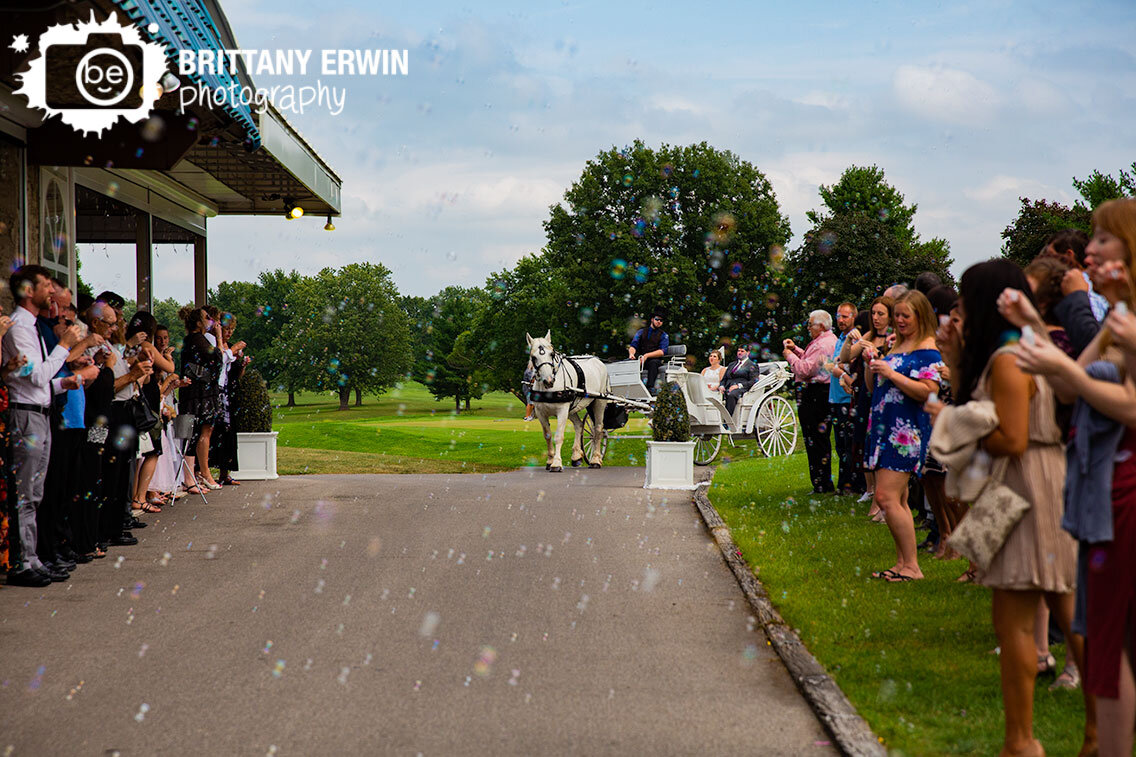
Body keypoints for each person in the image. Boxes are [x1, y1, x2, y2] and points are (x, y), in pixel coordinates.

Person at [941, 259, 1083, 757]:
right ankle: (1095, 732)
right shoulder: (1025, 346)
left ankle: (1021, 742)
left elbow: (1013, 437)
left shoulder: (1006, 359)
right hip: (1039, 480)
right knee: (1064, 605)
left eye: (963, 298)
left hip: (1025, 485)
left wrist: (957, 426)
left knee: (1019, 620)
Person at [1009, 198, 1136, 757]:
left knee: (1115, 643)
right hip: (1099, 486)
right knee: (1109, 644)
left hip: (1126, 488)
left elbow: (1130, 405)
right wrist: (1033, 325)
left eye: (1104, 239)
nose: (1091, 249)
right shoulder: (1115, 319)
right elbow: (1068, 384)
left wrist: (1067, 373)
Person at [2, 265, 84, 586]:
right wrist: (65, 344)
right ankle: (22, 563)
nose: (52, 292)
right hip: (25, 415)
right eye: (46, 286)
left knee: (35, 492)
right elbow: (35, 375)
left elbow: (42, 381)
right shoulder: (19, 327)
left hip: (40, 412)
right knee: (25, 491)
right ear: (27, 291)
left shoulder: (33, 326)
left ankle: (32, 558)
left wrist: (65, 385)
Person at [865, 290, 940, 582]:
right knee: (899, 499)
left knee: (885, 496)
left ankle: (912, 567)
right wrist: (875, 365)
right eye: (897, 315)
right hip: (886, 427)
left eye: (905, 316)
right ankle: (901, 563)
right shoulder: (900, 345)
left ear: (920, 316)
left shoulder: (927, 350)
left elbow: (928, 390)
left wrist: (892, 373)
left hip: (905, 432)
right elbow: (876, 388)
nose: (899, 321)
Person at [842, 295, 895, 511]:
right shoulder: (869, 336)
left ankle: (883, 497)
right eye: (873, 313)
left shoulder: (894, 339)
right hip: (869, 392)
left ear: (890, 315)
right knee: (867, 440)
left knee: (885, 445)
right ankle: (872, 492)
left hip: (889, 394)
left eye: (880, 313)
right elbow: (845, 358)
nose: (875, 317)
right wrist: (849, 341)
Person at [784, 310, 838, 493]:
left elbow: (805, 370)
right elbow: (812, 361)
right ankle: (822, 481)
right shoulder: (828, 340)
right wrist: (797, 349)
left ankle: (821, 483)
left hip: (815, 394)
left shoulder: (822, 345)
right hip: (822, 392)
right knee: (819, 439)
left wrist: (789, 356)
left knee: (815, 439)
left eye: (810, 325)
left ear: (821, 326)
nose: (807, 328)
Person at [179, 307, 223, 492]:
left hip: (195, 393)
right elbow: (218, 359)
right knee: (196, 432)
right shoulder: (198, 340)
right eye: (206, 318)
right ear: (198, 323)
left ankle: (193, 477)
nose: (210, 320)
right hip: (198, 395)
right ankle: (197, 476)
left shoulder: (193, 340)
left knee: (193, 433)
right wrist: (219, 337)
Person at [826, 303, 861, 494]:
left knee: (849, 443)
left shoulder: (856, 338)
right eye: (838, 316)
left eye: (845, 316)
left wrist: (838, 371)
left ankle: (849, 485)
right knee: (840, 444)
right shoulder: (840, 339)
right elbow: (832, 365)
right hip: (835, 398)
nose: (840, 320)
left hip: (848, 398)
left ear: (854, 317)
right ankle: (844, 483)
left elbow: (842, 367)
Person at [628, 310, 669, 394]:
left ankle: (649, 388)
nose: (659, 322)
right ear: (652, 319)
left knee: (653, 363)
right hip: (641, 358)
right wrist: (631, 354)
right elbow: (633, 345)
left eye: (661, 320)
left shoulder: (664, 335)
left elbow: (662, 351)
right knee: (628, 363)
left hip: (654, 359)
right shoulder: (641, 332)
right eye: (657, 319)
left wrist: (647, 356)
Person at [721, 343, 759, 418]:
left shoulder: (752, 365)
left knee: (731, 394)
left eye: (742, 351)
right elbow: (724, 378)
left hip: (742, 389)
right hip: (727, 387)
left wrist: (738, 386)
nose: (739, 353)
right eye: (738, 351)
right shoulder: (732, 364)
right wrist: (721, 386)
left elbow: (753, 381)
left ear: (748, 353)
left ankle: (727, 421)